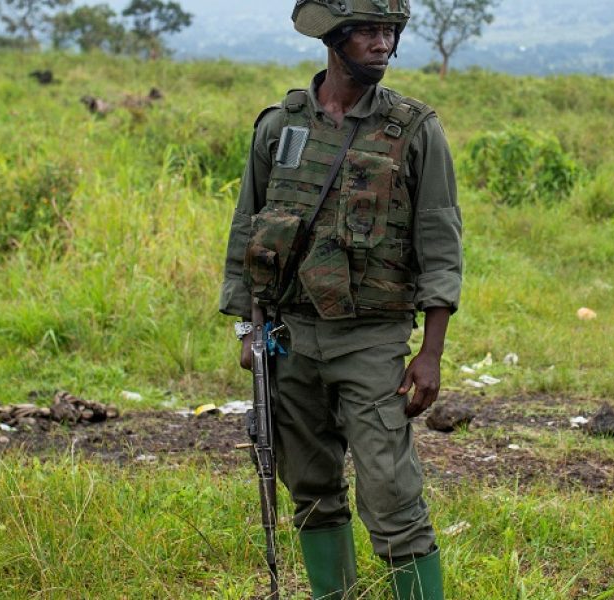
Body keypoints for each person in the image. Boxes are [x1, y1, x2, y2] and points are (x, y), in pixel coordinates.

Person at [219, 1, 462, 598]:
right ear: (334, 38)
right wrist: (249, 330)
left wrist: (429, 352)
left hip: (371, 338)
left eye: (391, 33)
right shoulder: (280, 126)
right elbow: (248, 227)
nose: (383, 44)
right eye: (369, 33)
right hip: (289, 335)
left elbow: (439, 241)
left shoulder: (414, 128)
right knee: (310, 488)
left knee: (391, 493)